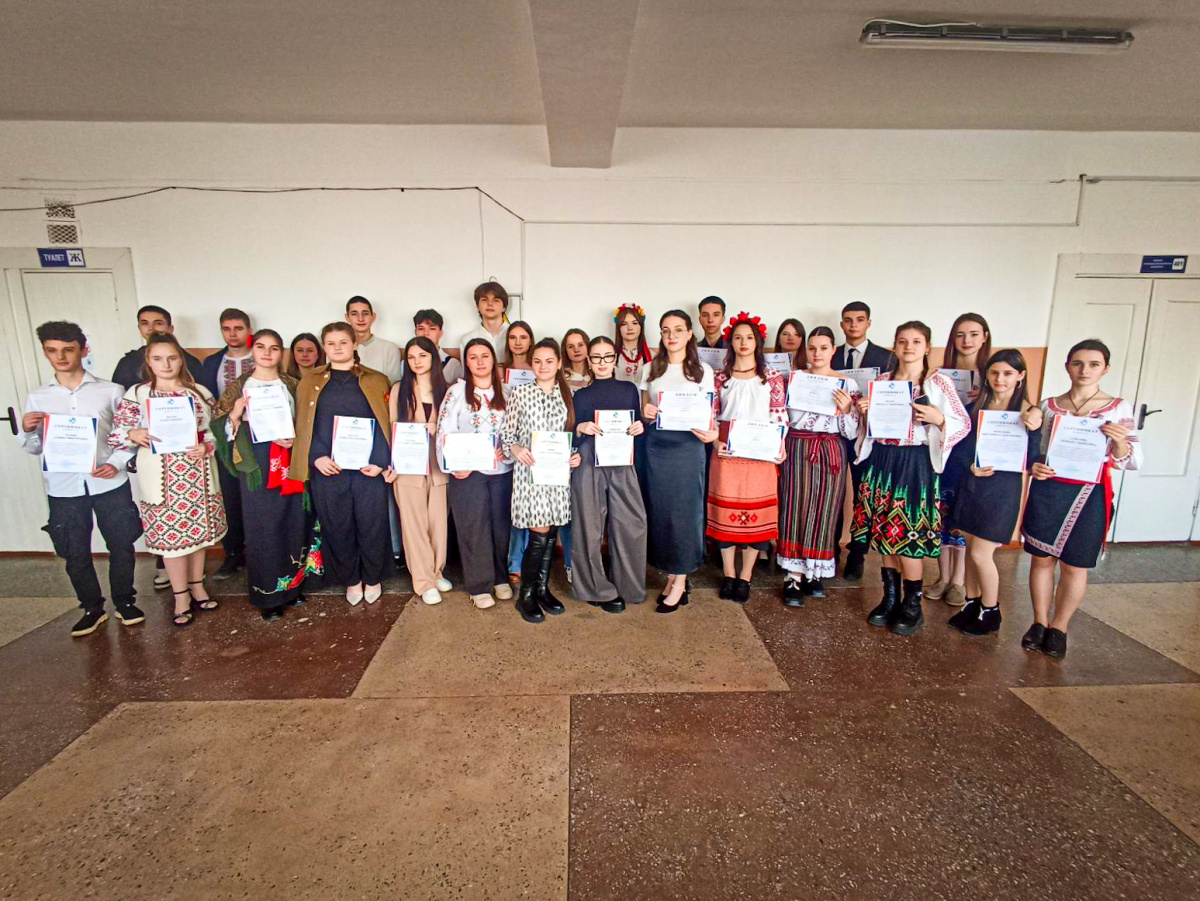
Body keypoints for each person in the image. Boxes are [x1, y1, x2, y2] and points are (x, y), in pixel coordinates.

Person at [20, 321, 145, 637]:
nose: (61, 357)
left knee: (121, 544)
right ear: (45, 353)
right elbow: (34, 448)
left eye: (68, 349)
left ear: (83, 350)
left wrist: (116, 463)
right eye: (52, 351)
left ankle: (125, 602)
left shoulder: (111, 391)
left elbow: (127, 436)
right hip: (64, 487)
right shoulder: (37, 397)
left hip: (108, 481)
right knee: (74, 551)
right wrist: (28, 431)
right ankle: (91, 608)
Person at [1020, 340, 1141, 659]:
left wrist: (1119, 444)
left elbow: (1132, 460)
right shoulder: (1049, 406)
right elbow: (1036, 449)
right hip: (1049, 490)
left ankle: (1059, 627)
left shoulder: (1117, 408)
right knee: (1041, 559)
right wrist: (1035, 465)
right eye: (1077, 363)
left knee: (1075, 564)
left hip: (1090, 493)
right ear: (1067, 366)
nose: (1084, 370)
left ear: (1105, 369)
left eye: (1093, 364)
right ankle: (1039, 622)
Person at [852, 321, 970, 636]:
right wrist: (864, 411)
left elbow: (963, 424)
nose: (908, 347)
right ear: (895, 346)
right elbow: (869, 428)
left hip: (915, 464)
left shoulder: (937, 382)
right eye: (902, 341)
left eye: (916, 341)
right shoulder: (882, 382)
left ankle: (912, 605)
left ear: (927, 347)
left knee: (907, 537)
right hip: (882, 460)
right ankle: (889, 599)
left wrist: (939, 418)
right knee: (885, 534)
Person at [110, 333, 226, 627]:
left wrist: (207, 446)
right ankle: (180, 596)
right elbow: (116, 434)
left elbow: (216, 431)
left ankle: (197, 586)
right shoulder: (138, 394)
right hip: (162, 477)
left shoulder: (198, 393)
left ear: (180, 360)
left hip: (197, 473)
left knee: (199, 536)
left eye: (172, 358)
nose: (166, 364)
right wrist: (133, 433)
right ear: (148, 362)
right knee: (173, 541)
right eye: (158, 358)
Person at [212, 329, 321, 622]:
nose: (267, 353)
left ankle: (293, 586)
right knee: (264, 528)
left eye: (274, 348)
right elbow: (218, 428)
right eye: (261, 347)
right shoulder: (239, 387)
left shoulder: (293, 384)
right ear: (253, 350)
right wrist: (235, 415)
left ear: (281, 352)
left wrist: (296, 437)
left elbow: (308, 421)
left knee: (295, 522)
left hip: (291, 460)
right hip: (257, 467)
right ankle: (268, 595)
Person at [291, 322, 392, 606]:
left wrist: (379, 461)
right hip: (328, 469)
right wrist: (316, 457)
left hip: (368, 470)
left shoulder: (376, 380)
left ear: (354, 344)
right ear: (324, 347)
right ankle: (351, 579)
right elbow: (305, 425)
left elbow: (385, 423)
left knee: (372, 524)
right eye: (331, 343)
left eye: (343, 342)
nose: (337, 348)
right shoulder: (309, 381)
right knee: (337, 526)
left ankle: (373, 577)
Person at [948, 349, 1042, 637]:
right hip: (973, 485)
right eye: (994, 372)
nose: (1000, 378)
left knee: (981, 553)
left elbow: (1032, 458)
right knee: (970, 549)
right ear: (986, 375)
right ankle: (972, 603)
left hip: (1001, 491)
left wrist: (1034, 427)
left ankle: (991, 611)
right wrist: (971, 466)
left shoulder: (1029, 413)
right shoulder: (976, 407)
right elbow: (959, 448)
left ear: (1020, 376)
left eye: (1008, 373)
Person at [641, 310, 719, 613]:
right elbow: (642, 409)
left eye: (677, 329)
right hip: (657, 448)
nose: (671, 335)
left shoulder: (703, 371)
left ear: (689, 334)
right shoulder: (649, 369)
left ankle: (681, 579)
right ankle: (672, 575)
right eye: (665, 330)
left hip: (688, 448)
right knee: (662, 512)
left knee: (685, 513)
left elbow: (709, 414)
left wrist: (712, 432)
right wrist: (646, 412)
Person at [777, 326, 860, 606]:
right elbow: (784, 418)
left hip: (830, 449)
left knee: (825, 509)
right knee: (794, 506)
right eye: (812, 348)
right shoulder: (794, 379)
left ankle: (815, 572)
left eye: (823, 348)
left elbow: (852, 432)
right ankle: (793, 575)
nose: (817, 353)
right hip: (798, 446)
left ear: (833, 350)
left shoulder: (848, 384)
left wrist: (847, 410)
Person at [708, 313, 787, 603]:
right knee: (724, 516)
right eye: (738, 337)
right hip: (727, 451)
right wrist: (715, 442)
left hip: (760, 453)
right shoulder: (720, 377)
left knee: (758, 519)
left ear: (758, 342)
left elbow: (779, 415)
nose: (743, 342)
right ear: (731, 341)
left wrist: (780, 445)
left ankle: (745, 577)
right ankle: (729, 574)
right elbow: (711, 415)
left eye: (749, 337)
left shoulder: (772, 378)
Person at [502, 338, 582, 624]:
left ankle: (542, 589)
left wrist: (575, 454)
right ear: (531, 364)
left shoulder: (568, 395)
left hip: (558, 475)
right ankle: (525, 595)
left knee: (550, 534)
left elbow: (572, 434)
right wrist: (516, 448)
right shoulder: (520, 393)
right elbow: (507, 435)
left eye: (549, 361)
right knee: (538, 534)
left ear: (559, 363)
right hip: (531, 474)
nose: (543, 366)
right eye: (537, 361)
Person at [570, 336, 647, 613]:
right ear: (589, 361)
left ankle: (630, 586)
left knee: (632, 521)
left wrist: (640, 427)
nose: (602, 362)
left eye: (607, 357)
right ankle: (593, 588)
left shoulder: (629, 389)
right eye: (596, 357)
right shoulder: (581, 395)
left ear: (615, 359)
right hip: (589, 459)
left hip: (622, 458)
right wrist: (581, 428)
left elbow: (637, 423)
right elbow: (572, 433)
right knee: (588, 525)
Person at [437, 338, 514, 609]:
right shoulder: (456, 392)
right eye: (473, 357)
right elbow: (444, 431)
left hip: (502, 471)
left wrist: (508, 451)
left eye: (485, 356)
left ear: (494, 359)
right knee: (473, 526)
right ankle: (479, 585)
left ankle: (500, 577)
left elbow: (517, 430)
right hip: (468, 473)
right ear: (466, 362)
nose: (480, 362)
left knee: (501, 526)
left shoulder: (508, 391)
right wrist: (454, 463)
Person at [928, 313, 992, 609]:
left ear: (984, 337)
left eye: (974, 334)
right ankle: (942, 577)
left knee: (965, 517)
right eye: (960, 334)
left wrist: (985, 396)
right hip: (945, 450)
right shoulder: (939, 375)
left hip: (975, 453)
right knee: (942, 514)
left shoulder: (993, 375)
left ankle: (959, 581)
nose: (967, 341)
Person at [385, 336, 453, 606]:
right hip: (407, 467)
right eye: (411, 357)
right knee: (413, 525)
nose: (417, 362)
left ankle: (436, 572)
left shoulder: (446, 390)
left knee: (438, 523)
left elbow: (455, 428)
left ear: (433, 358)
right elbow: (392, 427)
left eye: (422, 356)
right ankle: (423, 581)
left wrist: (439, 430)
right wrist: (391, 464)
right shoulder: (399, 389)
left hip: (438, 466)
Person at [832, 301, 896, 583]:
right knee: (833, 494)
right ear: (841, 324)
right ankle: (830, 548)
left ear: (868, 323)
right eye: (848, 320)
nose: (853, 325)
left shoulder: (887, 358)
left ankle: (857, 553)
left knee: (863, 495)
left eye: (859, 319)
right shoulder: (831, 354)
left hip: (868, 436)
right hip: (835, 434)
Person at [200, 307, 255, 581]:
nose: (233, 334)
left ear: (249, 330)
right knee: (230, 497)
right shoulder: (212, 363)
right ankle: (232, 553)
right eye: (227, 329)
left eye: (238, 328)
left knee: (255, 496)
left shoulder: (261, 357)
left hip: (257, 439)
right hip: (224, 438)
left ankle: (258, 551)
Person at [501, 320, 535, 580]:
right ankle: (514, 561)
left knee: (531, 504)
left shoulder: (539, 368)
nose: (518, 342)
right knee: (514, 505)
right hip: (506, 440)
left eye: (523, 337)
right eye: (513, 337)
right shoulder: (499, 370)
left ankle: (532, 558)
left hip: (533, 444)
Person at [558, 328, 592, 581]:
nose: (576, 350)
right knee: (567, 509)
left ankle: (590, 565)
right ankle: (570, 564)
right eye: (571, 346)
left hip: (593, 447)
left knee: (588, 510)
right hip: (565, 446)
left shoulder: (598, 374)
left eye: (581, 344)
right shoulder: (559, 377)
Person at [112, 304, 204, 389]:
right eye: (145, 323)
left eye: (158, 323)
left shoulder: (189, 361)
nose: (151, 328)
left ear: (170, 328)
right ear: (139, 328)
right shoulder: (128, 362)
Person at [345, 296, 402, 383]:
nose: (361, 318)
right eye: (354, 314)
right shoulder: (338, 348)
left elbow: (393, 384)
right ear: (347, 317)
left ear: (373, 317)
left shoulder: (389, 349)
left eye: (365, 313)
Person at [455, 281, 511, 355]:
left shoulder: (514, 336)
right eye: (484, 300)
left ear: (504, 307)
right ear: (477, 306)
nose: (490, 304)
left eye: (496, 300)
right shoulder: (467, 339)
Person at [413, 309, 463, 384]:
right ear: (415, 332)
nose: (426, 333)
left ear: (440, 333)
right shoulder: (406, 363)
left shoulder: (452, 364)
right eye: (421, 328)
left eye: (432, 328)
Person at [614, 303, 652, 384]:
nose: (630, 328)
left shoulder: (653, 356)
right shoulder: (611, 356)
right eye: (624, 324)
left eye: (635, 323)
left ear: (641, 326)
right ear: (618, 327)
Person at [561, 329, 592, 393]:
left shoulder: (597, 373)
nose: (576, 350)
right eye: (570, 347)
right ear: (565, 350)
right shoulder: (561, 377)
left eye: (580, 345)